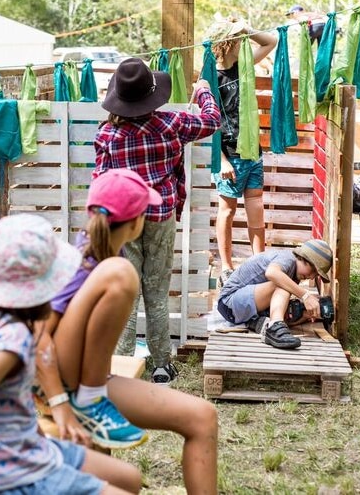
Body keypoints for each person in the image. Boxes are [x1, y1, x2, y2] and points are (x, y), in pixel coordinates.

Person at [35, 168, 219, 492]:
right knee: (122, 274)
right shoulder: (85, 260)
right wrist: (59, 400)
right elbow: (37, 338)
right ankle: (90, 401)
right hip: (58, 384)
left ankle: (92, 399)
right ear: (137, 223)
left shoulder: (106, 251)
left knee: (203, 417)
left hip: (84, 381)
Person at [0, 214, 141, 495]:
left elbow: (10, 400)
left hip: (27, 447)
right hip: (10, 475)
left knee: (128, 478)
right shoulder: (12, 339)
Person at [93, 57, 221, 384]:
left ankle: (121, 369)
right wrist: (204, 90)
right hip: (161, 216)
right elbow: (212, 120)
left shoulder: (107, 134)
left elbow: (100, 180)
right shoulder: (172, 124)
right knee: (156, 291)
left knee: (126, 293)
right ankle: (162, 364)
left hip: (123, 221)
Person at [205, 16, 277, 287]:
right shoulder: (211, 76)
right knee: (227, 210)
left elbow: (271, 41)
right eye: (238, 40)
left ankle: (259, 263)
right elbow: (209, 121)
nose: (243, 44)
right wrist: (221, 160)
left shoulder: (242, 68)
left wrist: (247, 28)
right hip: (228, 156)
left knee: (256, 207)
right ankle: (226, 266)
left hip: (251, 152)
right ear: (227, 44)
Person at [217, 239, 333, 349]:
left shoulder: (294, 272)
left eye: (316, 275)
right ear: (303, 258)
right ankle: (274, 328)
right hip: (230, 302)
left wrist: (306, 315)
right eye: (313, 271)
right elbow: (272, 273)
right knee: (284, 283)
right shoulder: (287, 258)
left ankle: (261, 324)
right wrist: (305, 295)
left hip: (241, 307)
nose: (312, 277)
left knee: (290, 310)